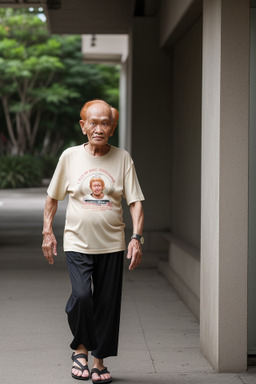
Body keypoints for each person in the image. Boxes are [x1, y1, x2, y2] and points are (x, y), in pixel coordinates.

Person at [42, 99, 145, 383]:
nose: (98, 128)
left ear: (112, 128)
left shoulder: (122, 158)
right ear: (83, 126)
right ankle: (80, 348)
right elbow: (52, 197)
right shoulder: (70, 157)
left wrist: (136, 238)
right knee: (83, 297)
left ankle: (98, 360)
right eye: (93, 122)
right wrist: (47, 231)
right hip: (77, 242)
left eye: (105, 123)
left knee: (107, 303)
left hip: (112, 243)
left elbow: (135, 201)